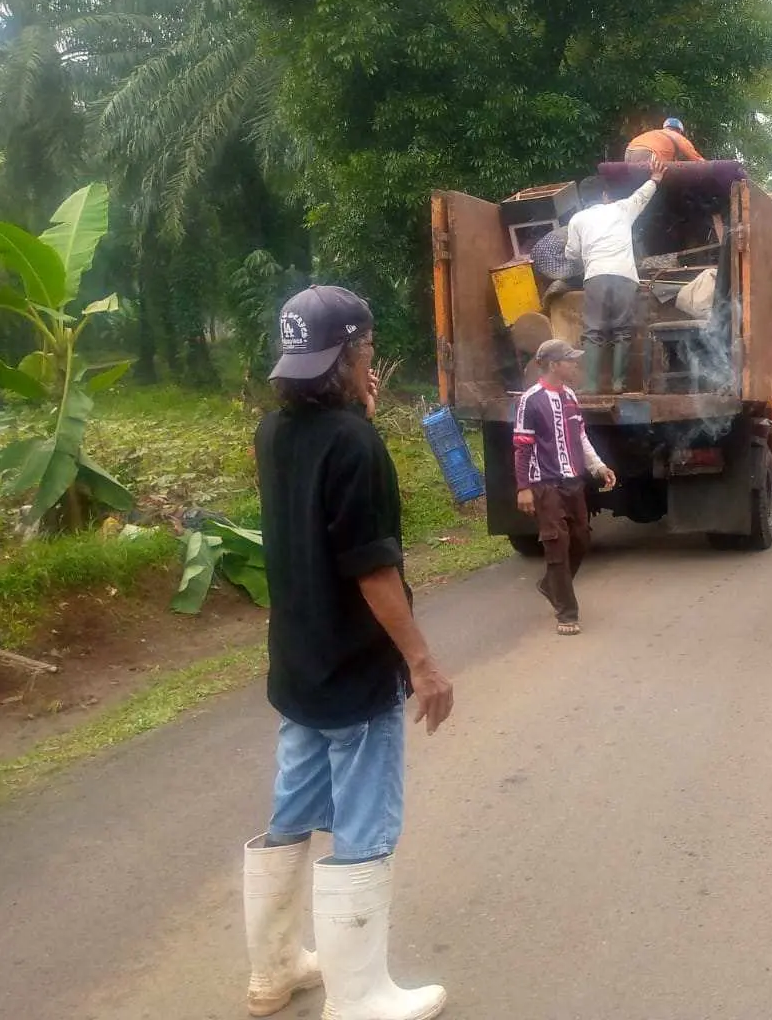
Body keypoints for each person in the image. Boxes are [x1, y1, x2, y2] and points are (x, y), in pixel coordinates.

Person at [245, 285, 454, 1020]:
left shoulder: (275, 432)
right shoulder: (356, 444)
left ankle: (273, 973)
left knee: (290, 815)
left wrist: (355, 417)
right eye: (364, 351)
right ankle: (358, 995)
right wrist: (422, 664)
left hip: (297, 667)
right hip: (355, 673)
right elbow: (371, 569)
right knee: (365, 824)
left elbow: (315, 507)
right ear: (354, 355)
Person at [513, 338, 617, 636]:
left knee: (581, 538)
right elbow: (521, 447)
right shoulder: (529, 400)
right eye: (570, 360)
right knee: (556, 541)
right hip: (545, 484)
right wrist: (523, 488)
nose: (575, 364)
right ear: (553, 364)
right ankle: (567, 613)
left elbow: (581, 437)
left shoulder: (570, 396)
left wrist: (598, 467)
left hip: (574, 482)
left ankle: (551, 585)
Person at [565, 154, 668, 391]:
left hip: (596, 276)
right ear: (605, 196)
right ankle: (618, 383)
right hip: (624, 277)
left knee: (594, 331)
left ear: (583, 200)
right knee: (622, 330)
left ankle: (590, 386)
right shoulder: (620, 209)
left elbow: (572, 253)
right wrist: (656, 177)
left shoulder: (577, 219)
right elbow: (641, 197)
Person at [625, 116, 705, 164]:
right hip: (647, 153)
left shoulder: (655, 133)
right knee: (656, 180)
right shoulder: (678, 137)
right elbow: (697, 159)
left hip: (629, 152)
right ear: (680, 131)